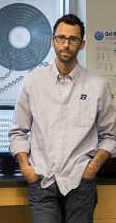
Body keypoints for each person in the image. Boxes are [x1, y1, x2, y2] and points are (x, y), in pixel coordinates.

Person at [9, 14, 116, 223]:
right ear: (52, 41)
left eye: (73, 39)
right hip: (42, 182)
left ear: (82, 44)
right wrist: (26, 168)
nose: (66, 45)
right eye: (61, 38)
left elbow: (111, 136)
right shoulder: (33, 82)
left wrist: (92, 168)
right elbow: (17, 132)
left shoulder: (98, 86)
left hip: (80, 183)